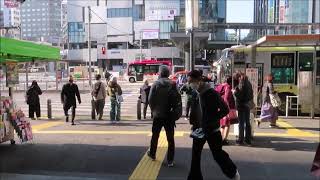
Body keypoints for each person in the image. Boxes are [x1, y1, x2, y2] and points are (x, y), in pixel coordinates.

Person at [187, 70, 240, 180]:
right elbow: (194, 109)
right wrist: (193, 120)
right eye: (189, 82)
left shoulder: (212, 93)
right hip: (198, 129)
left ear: (199, 81)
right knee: (195, 158)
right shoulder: (194, 93)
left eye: (192, 81)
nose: (190, 84)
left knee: (218, 155)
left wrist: (212, 119)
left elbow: (225, 109)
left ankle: (233, 172)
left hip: (212, 130)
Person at [148, 65, 182, 167]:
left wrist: (153, 110)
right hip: (169, 115)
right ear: (168, 73)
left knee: (155, 136)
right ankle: (170, 160)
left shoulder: (155, 84)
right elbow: (177, 100)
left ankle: (152, 154)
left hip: (158, 115)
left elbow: (150, 99)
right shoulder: (172, 84)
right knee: (170, 138)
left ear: (160, 73)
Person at [233, 72, 254, 145]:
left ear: (240, 77)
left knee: (241, 123)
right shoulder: (249, 83)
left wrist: (235, 92)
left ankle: (240, 140)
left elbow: (239, 94)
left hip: (241, 105)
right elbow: (252, 94)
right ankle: (248, 140)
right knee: (247, 122)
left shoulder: (242, 83)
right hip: (247, 104)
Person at [215, 76, 235, 145]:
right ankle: (224, 139)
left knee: (222, 124)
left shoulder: (219, 86)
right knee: (227, 124)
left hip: (219, 107)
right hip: (226, 108)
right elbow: (226, 98)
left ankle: (220, 139)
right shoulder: (228, 87)